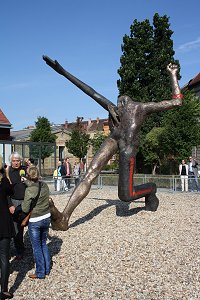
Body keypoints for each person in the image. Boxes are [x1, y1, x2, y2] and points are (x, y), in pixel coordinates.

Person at [21, 166, 51, 279]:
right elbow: (35, 185)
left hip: (35, 220)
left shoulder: (29, 190)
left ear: (28, 175)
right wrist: (26, 181)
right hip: (46, 217)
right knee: (43, 243)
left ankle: (40, 272)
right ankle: (47, 269)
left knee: (36, 247)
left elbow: (25, 208)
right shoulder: (45, 185)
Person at [0, 157, 15, 299]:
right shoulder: (4, 181)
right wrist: (7, 173)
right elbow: (11, 191)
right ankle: (4, 290)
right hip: (3, 223)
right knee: (4, 256)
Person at [6, 152, 26, 260]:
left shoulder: (25, 170)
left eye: (17, 160)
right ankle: (19, 249)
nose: (16, 163)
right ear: (11, 161)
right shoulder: (8, 172)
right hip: (14, 202)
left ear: (20, 161)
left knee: (23, 226)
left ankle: (21, 246)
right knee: (15, 227)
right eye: (14, 161)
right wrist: (10, 205)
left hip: (25, 202)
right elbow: (5, 191)